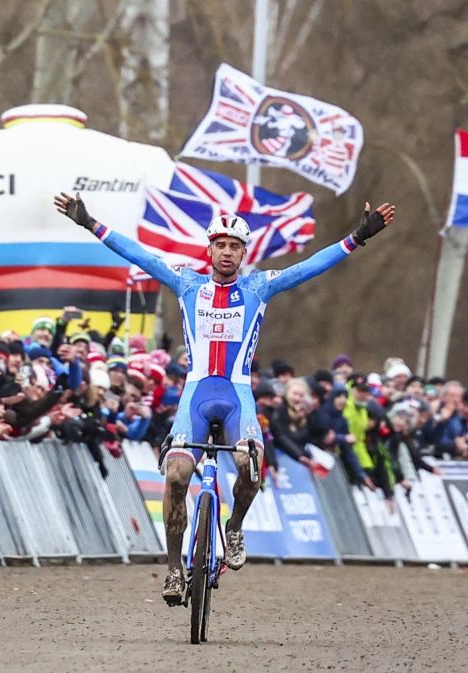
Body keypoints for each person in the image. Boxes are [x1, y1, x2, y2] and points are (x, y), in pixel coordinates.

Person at [54, 191, 396, 604]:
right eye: (221, 245)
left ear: (244, 252)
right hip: (197, 393)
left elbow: (308, 267)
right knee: (178, 477)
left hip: (236, 394)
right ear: (210, 248)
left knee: (249, 465)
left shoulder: (259, 286)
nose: (228, 253)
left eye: (235, 247)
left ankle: (233, 527)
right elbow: (140, 255)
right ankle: (175, 570)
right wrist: (90, 223)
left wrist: (357, 236)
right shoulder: (187, 283)